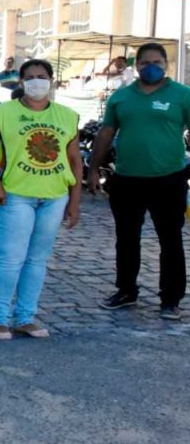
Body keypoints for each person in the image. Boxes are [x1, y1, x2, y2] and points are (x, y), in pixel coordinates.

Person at [0, 59, 81, 340]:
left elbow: (74, 160)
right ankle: (0, 319)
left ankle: (25, 317)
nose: (37, 81)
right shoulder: (3, 113)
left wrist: (74, 201)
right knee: (10, 259)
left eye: (42, 76)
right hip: (15, 195)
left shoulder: (67, 116)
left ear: (51, 81)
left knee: (37, 260)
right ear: (20, 82)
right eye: (30, 77)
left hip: (54, 196)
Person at [90, 43, 190, 320]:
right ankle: (126, 291)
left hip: (168, 179)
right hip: (126, 180)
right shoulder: (122, 97)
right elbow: (107, 132)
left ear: (166, 64)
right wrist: (93, 168)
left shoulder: (183, 95)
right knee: (126, 239)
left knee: (170, 241)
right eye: (144, 63)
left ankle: (171, 299)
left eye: (156, 61)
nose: (150, 67)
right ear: (137, 66)